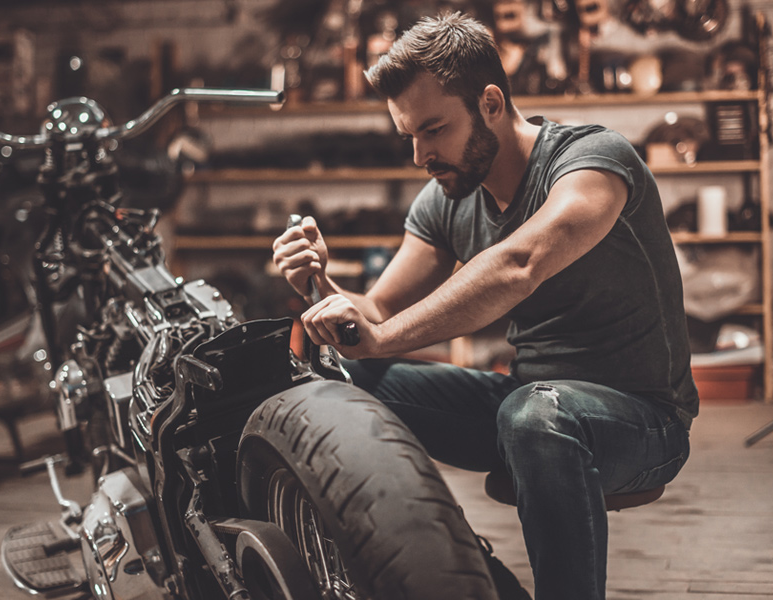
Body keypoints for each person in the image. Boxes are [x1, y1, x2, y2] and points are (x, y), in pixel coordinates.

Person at [272, 12, 698, 600]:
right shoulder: (446, 195)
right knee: (343, 377)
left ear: (491, 102)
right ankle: (432, 570)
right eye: (410, 137)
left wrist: (386, 336)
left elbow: (518, 265)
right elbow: (373, 312)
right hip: (522, 410)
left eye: (434, 130)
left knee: (537, 415)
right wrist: (319, 284)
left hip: (643, 422)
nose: (420, 154)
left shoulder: (594, 161)